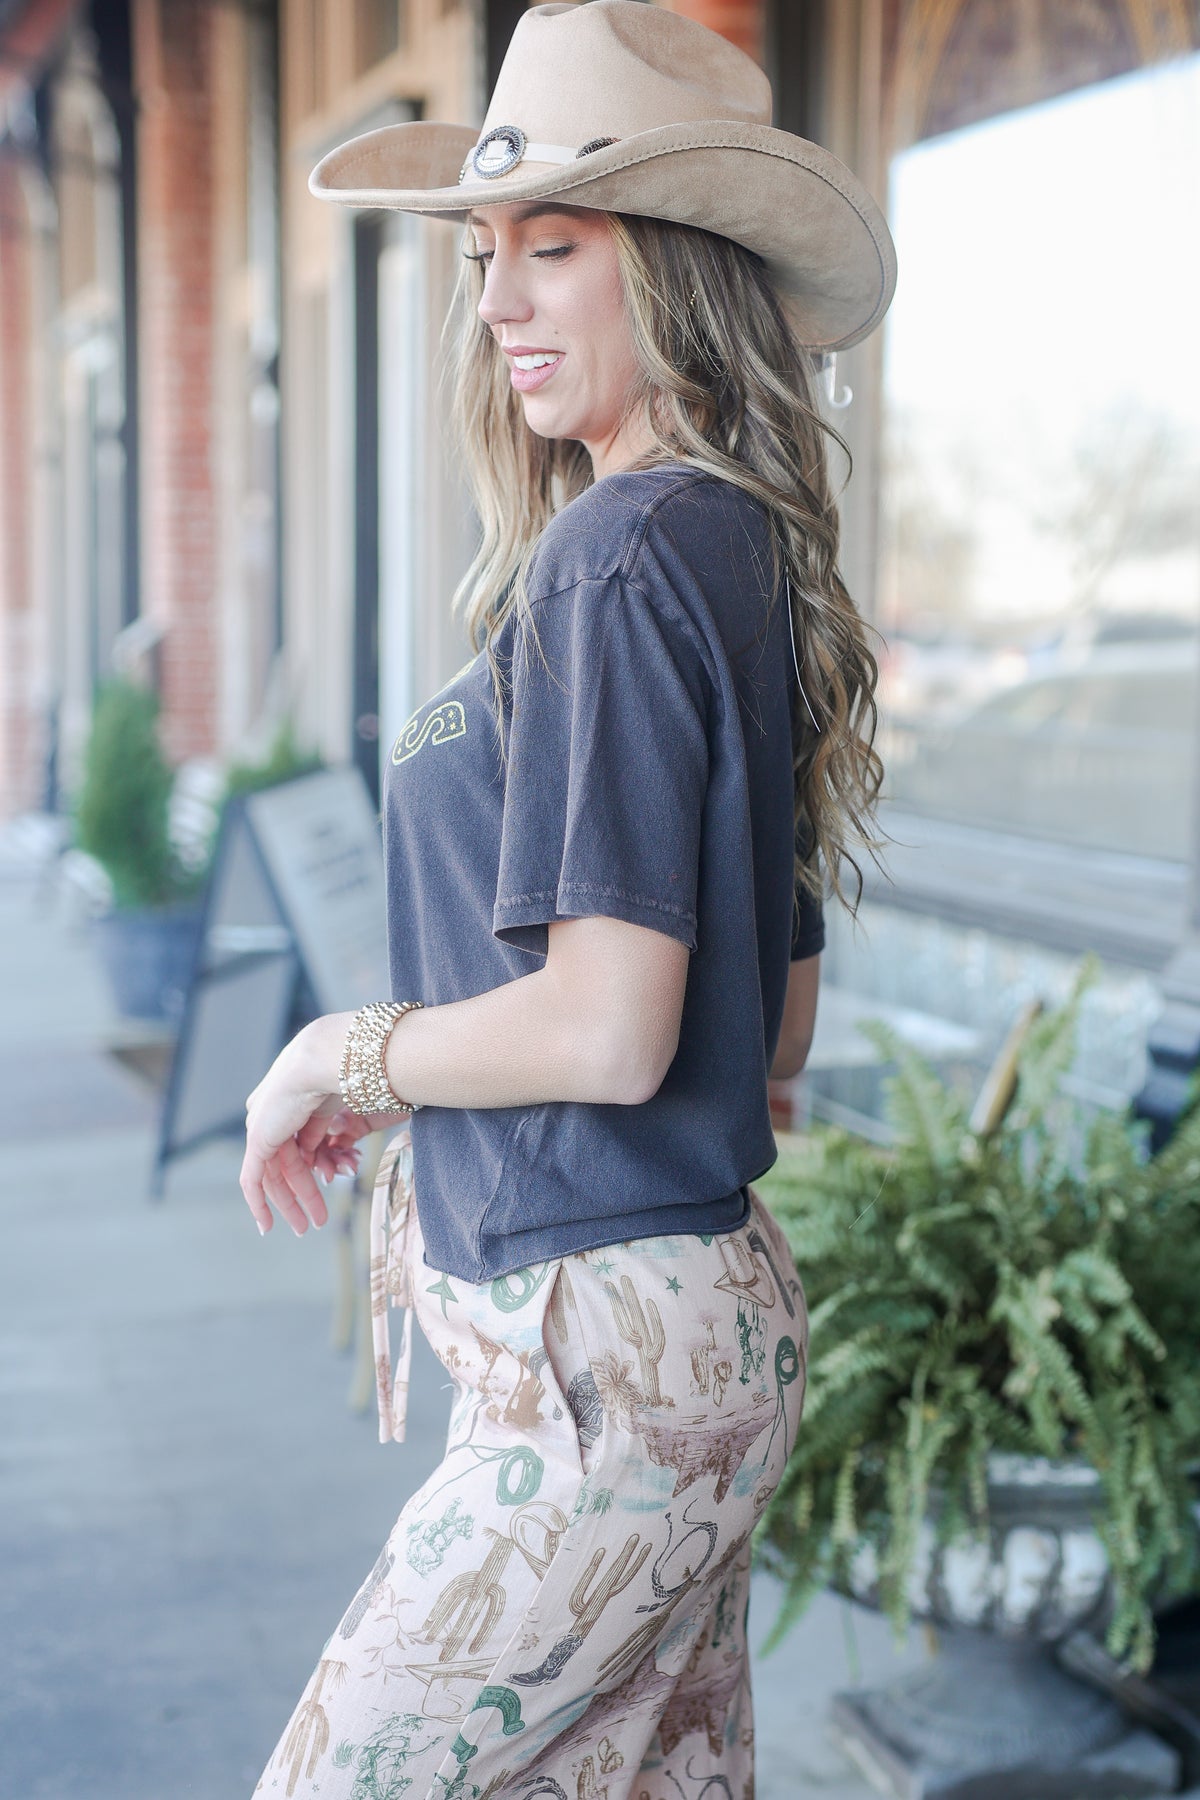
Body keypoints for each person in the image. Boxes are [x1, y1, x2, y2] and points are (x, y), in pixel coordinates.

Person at [240, 4, 894, 1795]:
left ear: (672, 268)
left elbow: (614, 1031)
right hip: (691, 1328)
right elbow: (776, 1026)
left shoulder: (616, 555)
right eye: (481, 257)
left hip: (602, 1357)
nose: (499, 301)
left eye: (554, 247)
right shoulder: (725, 536)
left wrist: (340, 1053)